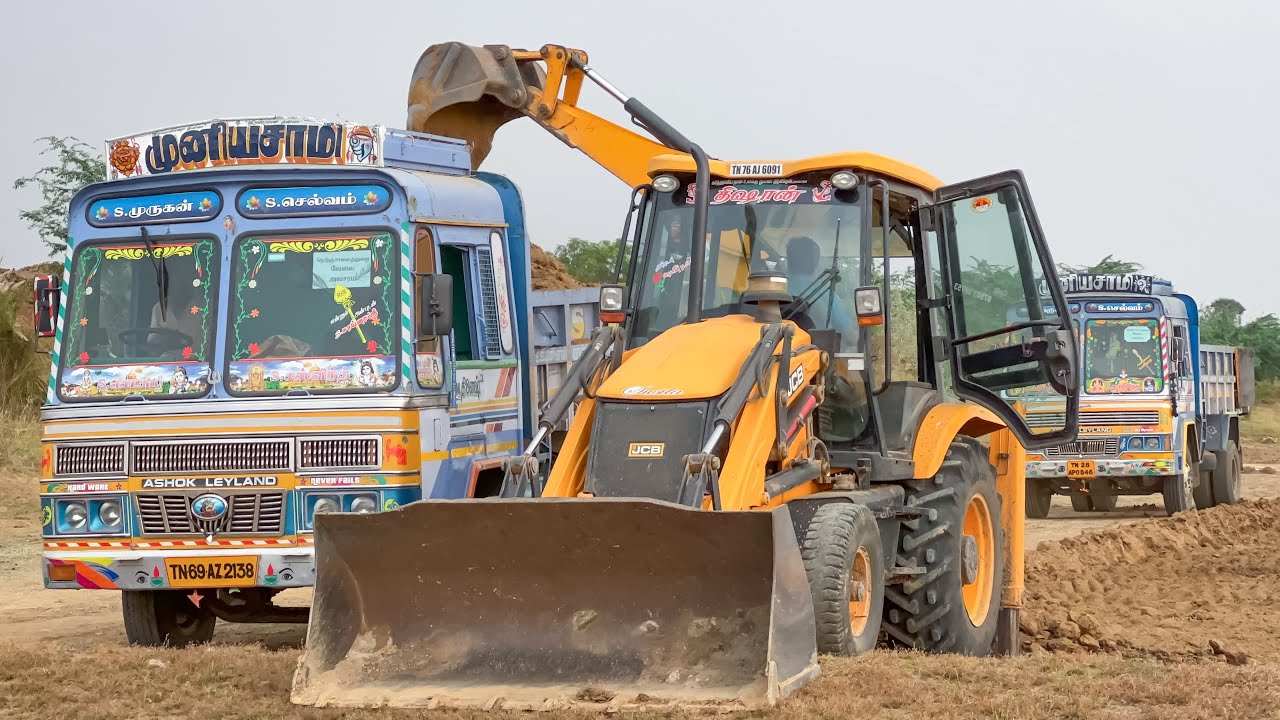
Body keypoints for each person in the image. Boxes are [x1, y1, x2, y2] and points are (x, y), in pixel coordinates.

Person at [784, 236, 852, 332]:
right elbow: (847, 332)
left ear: (788, 261)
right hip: (817, 346)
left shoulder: (774, 291)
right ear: (816, 263)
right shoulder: (828, 296)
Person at [149, 274, 203, 347]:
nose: (176, 286)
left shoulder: (202, 309)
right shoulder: (159, 308)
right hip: (164, 357)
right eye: (171, 283)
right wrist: (167, 338)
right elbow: (152, 345)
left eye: (182, 282)